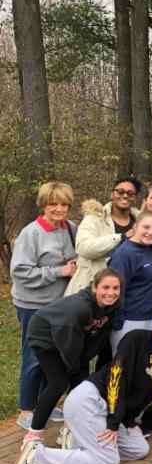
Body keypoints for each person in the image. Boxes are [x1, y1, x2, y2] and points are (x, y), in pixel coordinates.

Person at [15, 305, 152, 464]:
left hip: (111, 409)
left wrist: (128, 420)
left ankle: (81, 445)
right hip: (90, 400)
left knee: (138, 449)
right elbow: (116, 378)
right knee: (108, 461)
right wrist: (114, 423)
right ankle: (38, 456)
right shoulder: (136, 338)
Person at [19, 269, 123, 450]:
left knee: (80, 383)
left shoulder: (114, 304)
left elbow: (100, 335)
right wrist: (74, 365)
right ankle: (33, 435)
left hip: (71, 340)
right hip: (44, 337)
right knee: (58, 383)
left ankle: (69, 430)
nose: (111, 292)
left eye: (116, 288)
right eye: (105, 287)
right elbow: (68, 342)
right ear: (94, 287)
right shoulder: (80, 308)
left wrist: (83, 360)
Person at [11, 181, 78, 429]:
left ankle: (45, 404)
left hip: (60, 305)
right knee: (34, 357)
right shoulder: (31, 234)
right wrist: (59, 271)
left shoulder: (71, 228)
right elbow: (20, 272)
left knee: (53, 357)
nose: (59, 209)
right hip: (33, 306)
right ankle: (26, 409)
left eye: (64, 204)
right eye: (53, 204)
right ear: (44, 205)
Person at [66, 176, 141, 295]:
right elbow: (83, 247)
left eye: (130, 193)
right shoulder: (94, 218)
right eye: (120, 191)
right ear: (112, 194)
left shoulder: (140, 222)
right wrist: (121, 237)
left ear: (135, 199)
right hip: (90, 289)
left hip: (127, 290)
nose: (125, 196)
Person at [107, 210, 152, 351]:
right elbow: (115, 290)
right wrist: (118, 323)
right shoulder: (126, 253)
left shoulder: (148, 249)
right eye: (146, 227)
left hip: (151, 318)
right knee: (125, 363)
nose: (150, 232)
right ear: (136, 226)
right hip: (130, 321)